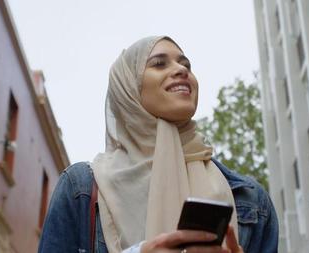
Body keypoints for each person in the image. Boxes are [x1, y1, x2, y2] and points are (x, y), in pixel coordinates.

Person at [38, 36, 278, 253]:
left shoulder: (250, 199)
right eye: (159, 63)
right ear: (128, 88)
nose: (181, 70)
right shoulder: (80, 188)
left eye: (186, 64)